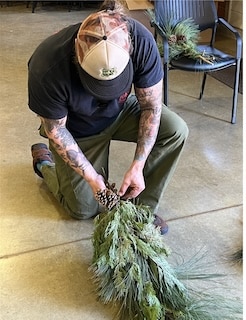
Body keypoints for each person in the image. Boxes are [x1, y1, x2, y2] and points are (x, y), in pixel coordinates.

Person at [27, 1, 187, 234]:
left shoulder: (140, 40)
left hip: (121, 111)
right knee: (82, 209)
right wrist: (92, 179)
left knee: (175, 130)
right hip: (77, 129)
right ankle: (45, 164)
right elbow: (56, 130)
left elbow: (152, 107)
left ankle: (139, 208)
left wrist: (138, 165)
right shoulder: (47, 65)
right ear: (77, 55)